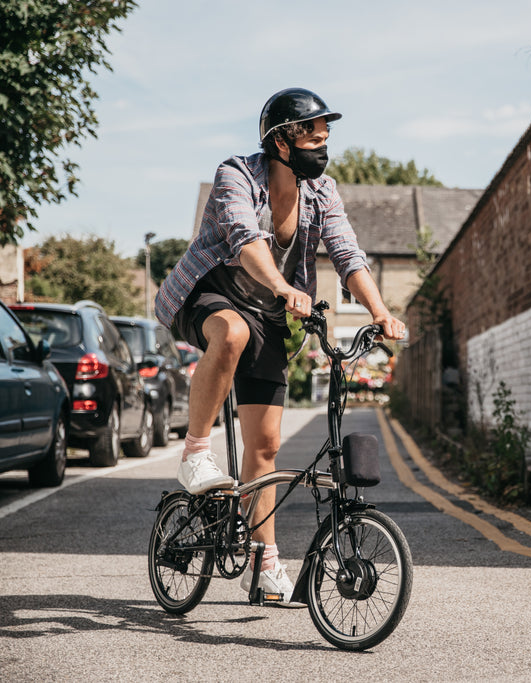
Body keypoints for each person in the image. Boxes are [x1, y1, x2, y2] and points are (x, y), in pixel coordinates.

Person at [155, 87, 405, 606]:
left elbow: (348, 253)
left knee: (265, 448)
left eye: (326, 136)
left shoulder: (322, 191)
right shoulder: (236, 176)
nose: (323, 145)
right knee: (233, 332)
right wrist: (284, 287)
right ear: (282, 141)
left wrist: (380, 312)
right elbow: (246, 242)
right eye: (313, 135)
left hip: (271, 313)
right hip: (209, 294)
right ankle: (195, 453)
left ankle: (265, 559)